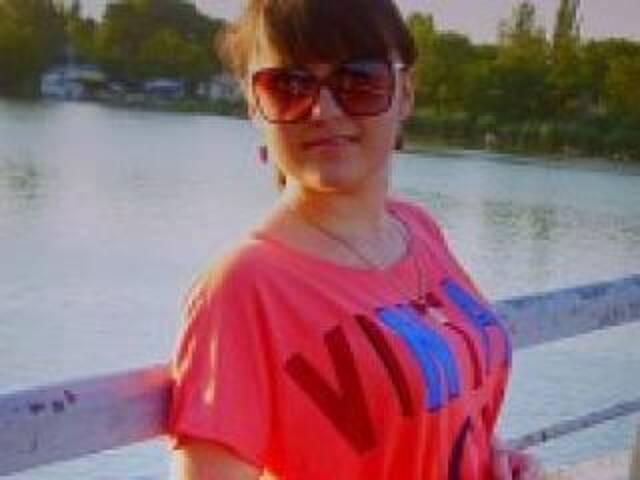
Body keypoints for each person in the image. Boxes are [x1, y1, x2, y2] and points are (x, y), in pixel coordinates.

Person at [167, 0, 543, 478]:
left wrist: (489, 454)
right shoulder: (244, 288)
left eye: (358, 80)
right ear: (254, 104)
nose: (323, 110)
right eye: (288, 86)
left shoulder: (418, 230)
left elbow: (440, 408)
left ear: (405, 94)